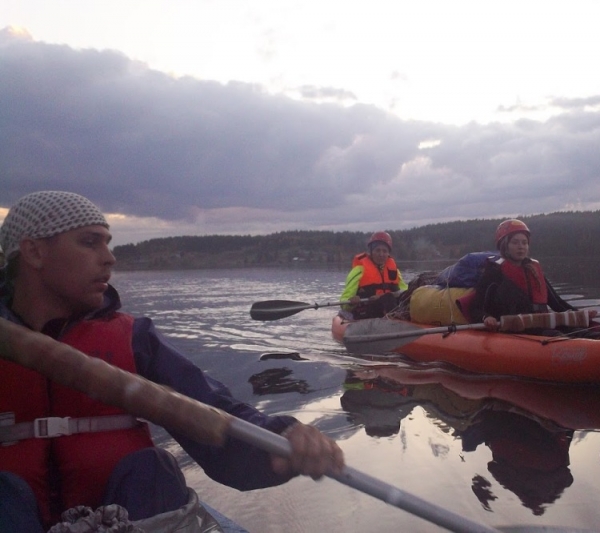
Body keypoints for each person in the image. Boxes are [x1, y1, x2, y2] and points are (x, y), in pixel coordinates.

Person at [0, 191, 345, 532]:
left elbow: (216, 411)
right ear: (34, 251)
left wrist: (282, 441)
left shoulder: (135, 339)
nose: (109, 258)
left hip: (135, 516)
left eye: (107, 242)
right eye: (90, 242)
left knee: (152, 469)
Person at [462, 219, 588, 330]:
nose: (521, 247)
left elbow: (557, 304)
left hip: (541, 323)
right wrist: (486, 317)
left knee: (582, 332)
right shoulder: (494, 272)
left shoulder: (533, 269)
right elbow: (475, 308)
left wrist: (581, 315)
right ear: (505, 246)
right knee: (554, 335)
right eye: (515, 242)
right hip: (515, 328)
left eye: (524, 242)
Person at [340, 231, 407, 319]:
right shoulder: (359, 271)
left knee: (390, 299)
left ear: (388, 253)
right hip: (366, 311)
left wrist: (383, 297)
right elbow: (344, 302)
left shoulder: (395, 272)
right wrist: (351, 302)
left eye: (384, 251)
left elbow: (405, 293)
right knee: (388, 299)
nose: (381, 254)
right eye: (377, 250)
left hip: (389, 309)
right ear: (371, 252)